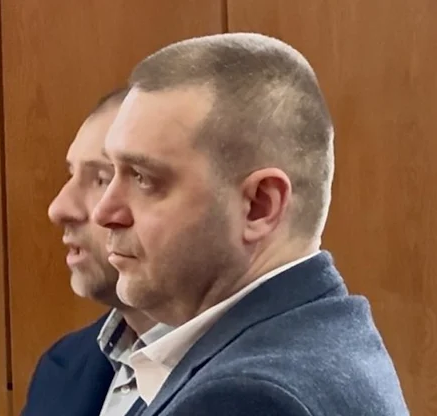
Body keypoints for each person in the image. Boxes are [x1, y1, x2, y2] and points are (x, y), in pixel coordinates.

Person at [93, 33, 410, 415]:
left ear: (259, 206)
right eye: (110, 173)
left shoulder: (245, 397)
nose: (104, 212)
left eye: (144, 178)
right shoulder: (323, 332)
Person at [21, 88, 172, 416]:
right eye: (71, 174)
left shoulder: (257, 386)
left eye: (102, 179)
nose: (59, 208)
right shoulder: (61, 367)